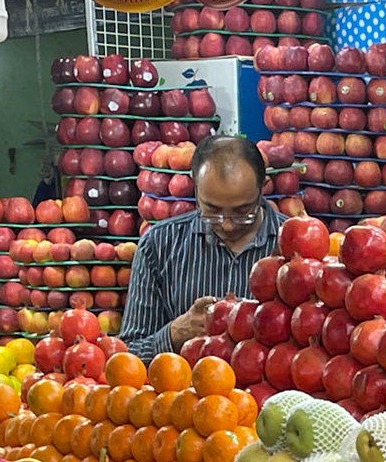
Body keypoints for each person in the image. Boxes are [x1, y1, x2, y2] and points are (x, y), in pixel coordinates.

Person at [119, 135, 287, 359]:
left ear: (262, 188)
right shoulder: (159, 245)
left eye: (242, 211)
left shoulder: (293, 248)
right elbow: (127, 355)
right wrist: (174, 334)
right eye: (212, 210)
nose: (226, 225)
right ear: (195, 187)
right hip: (185, 390)